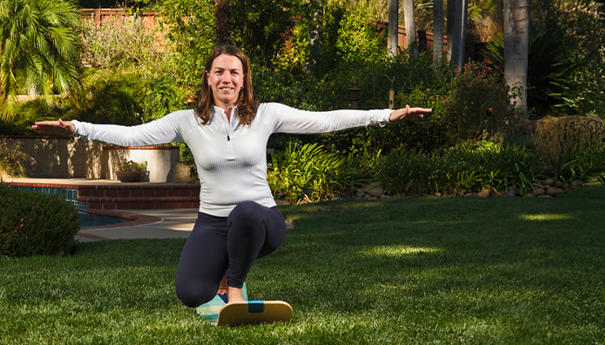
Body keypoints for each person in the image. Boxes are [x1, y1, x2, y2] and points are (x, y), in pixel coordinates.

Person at [32, 45, 431, 311]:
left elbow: (325, 121)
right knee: (190, 294)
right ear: (208, 77)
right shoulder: (186, 122)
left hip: (263, 222)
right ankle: (220, 281)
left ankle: (235, 290)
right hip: (211, 224)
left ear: (244, 80)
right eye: (219, 71)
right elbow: (132, 134)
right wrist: (75, 127)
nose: (227, 78)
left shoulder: (266, 114)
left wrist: (386, 115)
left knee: (245, 212)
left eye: (235, 73)